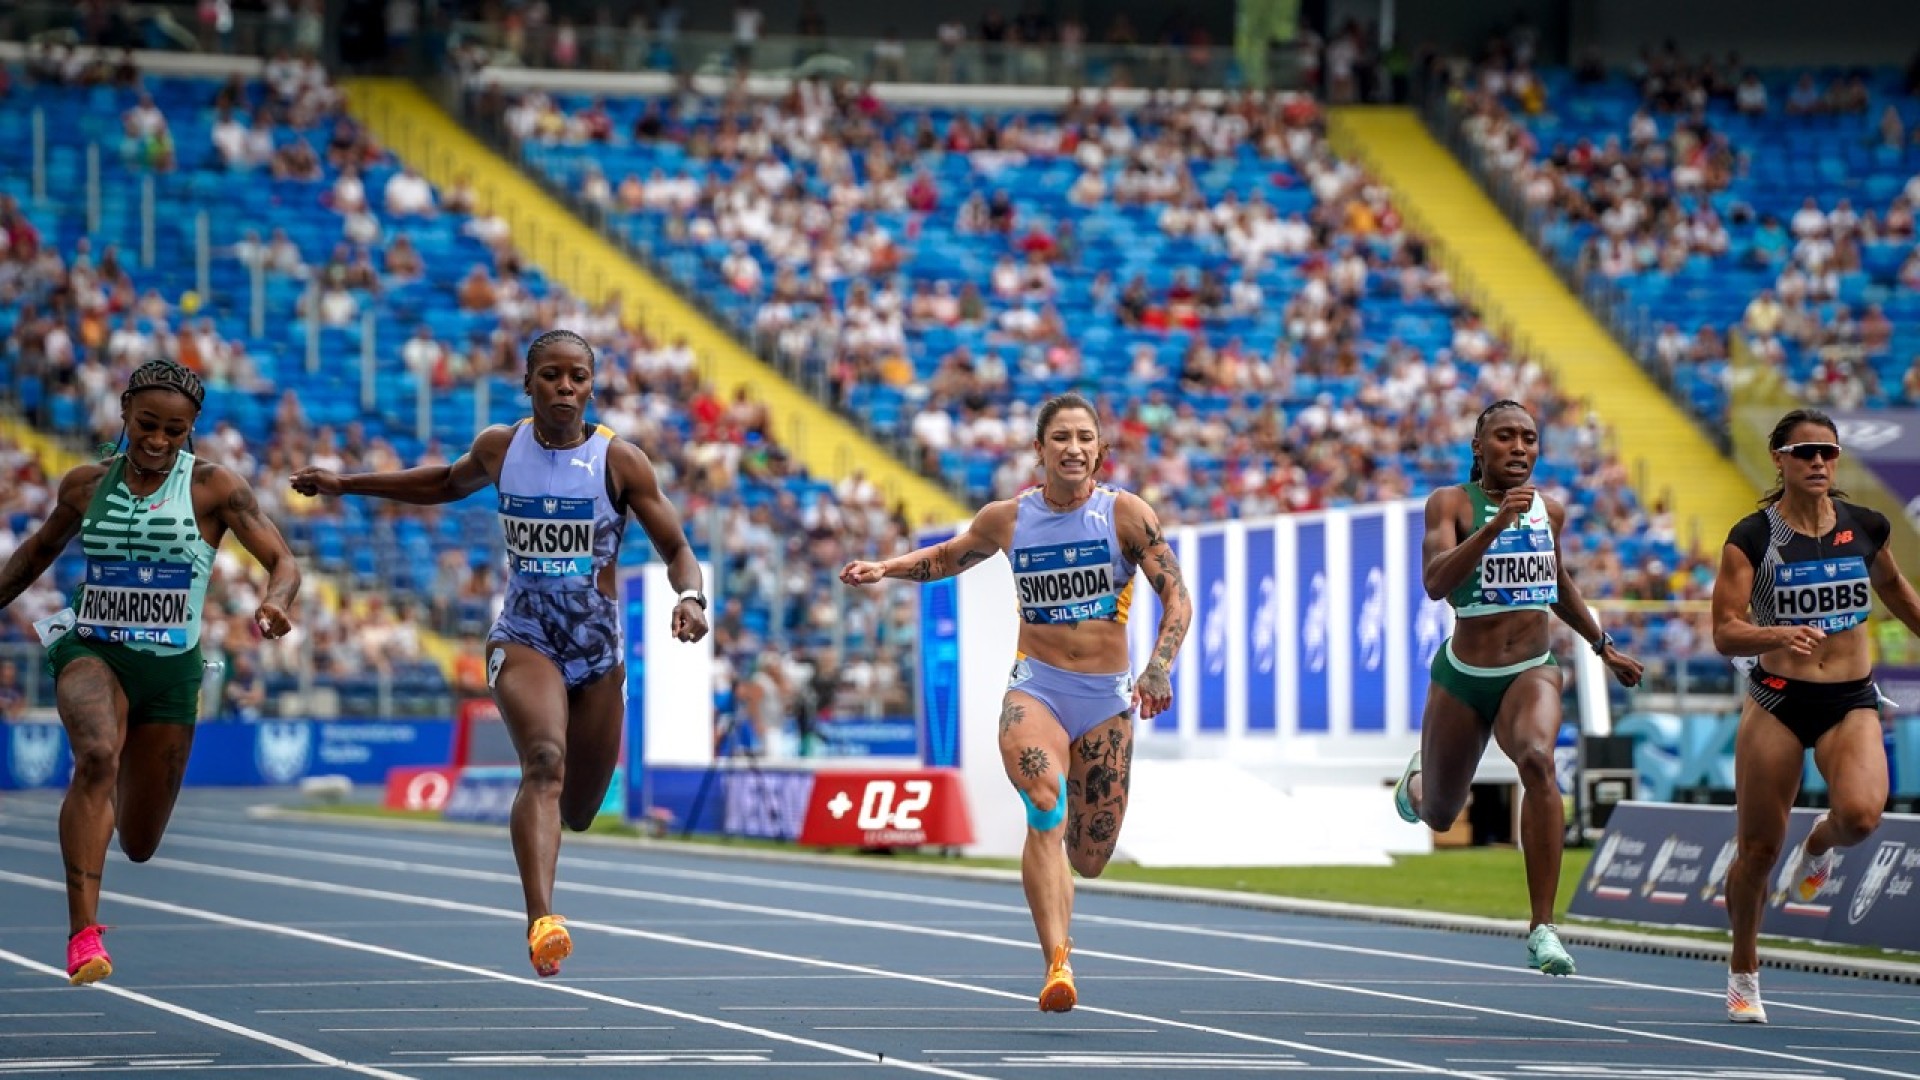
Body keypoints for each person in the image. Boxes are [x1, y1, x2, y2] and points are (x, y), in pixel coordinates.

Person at [290, 329, 709, 978]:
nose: (564, 388)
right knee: (543, 762)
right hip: (524, 636)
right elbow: (441, 484)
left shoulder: (619, 461)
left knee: (580, 810)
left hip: (598, 653)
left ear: (592, 385)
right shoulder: (500, 447)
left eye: (577, 377)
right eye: (551, 376)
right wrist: (347, 483)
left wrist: (692, 598)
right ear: (528, 383)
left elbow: (678, 549)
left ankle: (553, 862)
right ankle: (543, 920)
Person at [840, 391, 1190, 1013]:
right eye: (1061, 438)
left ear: (1101, 451)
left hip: (1106, 702)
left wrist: (1158, 669)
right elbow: (949, 556)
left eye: (1085, 438)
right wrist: (885, 568)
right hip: (1038, 689)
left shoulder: (1126, 516)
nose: (1074, 449)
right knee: (1044, 803)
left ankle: (1066, 921)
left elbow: (1177, 599)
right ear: (1039, 450)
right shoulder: (1009, 518)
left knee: (1092, 856)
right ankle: (1058, 962)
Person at [0, 359, 300, 985]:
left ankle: (104, 807)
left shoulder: (216, 488)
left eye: (174, 430)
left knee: (138, 842)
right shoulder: (85, 485)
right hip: (93, 649)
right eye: (146, 426)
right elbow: (34, 556)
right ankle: (83, 935)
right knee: (96, 758)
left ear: (192, 430)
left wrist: (275, 601)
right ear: (124, 414)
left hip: (171, 672)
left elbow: (282, 561)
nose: (158, 441)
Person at [1391, 399, 1644, 975]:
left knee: (1538, 760)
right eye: (1505, 437)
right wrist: (1496, 524)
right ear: (1479, 448)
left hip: (1531, 668)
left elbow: (1557, 584)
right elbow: (1436, 584)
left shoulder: (1549, 512)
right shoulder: (1450, 504)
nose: (1519, 448)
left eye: (1529, 438)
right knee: (1439, 814)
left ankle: (1544, 929)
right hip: (1463, 675)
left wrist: (1603, 647)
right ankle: (1420, 782)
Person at [1711, 408, 1920, 1023]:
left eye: (1828, 452)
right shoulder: (1753, 537)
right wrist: (1775, 631)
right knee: (1756, 852)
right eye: (1805, 452)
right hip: (1778, 698)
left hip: (1850, 699)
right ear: (1779, 459)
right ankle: (1744, 970)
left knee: (1860, 816)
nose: (1819, 462)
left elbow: (1900, 596)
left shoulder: (1865, 526)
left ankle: (1821, 845)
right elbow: (1725, 632)